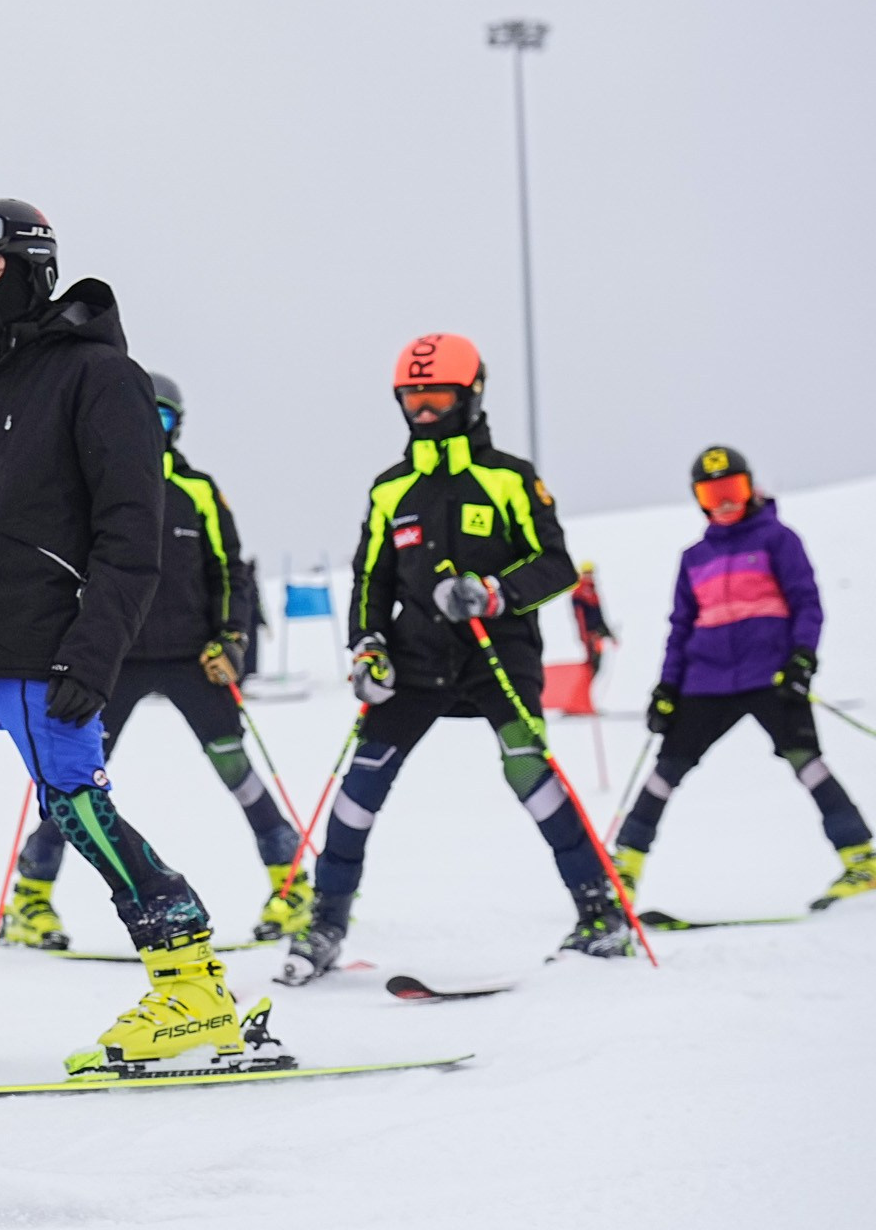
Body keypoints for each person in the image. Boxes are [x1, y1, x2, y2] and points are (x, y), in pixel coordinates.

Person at [0, 200, 281, 1076]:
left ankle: (192, 985)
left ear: (32, 267)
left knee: (80, 810)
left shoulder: (100, 378)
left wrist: (95, 651)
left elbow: (132, 533)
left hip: (46, 652)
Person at [278, 333, 635, 983]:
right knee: (361, 787)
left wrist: (497, 594)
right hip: (415, 660)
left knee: (529, 771)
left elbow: (556, 563)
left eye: (437, 393)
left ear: (471, 394)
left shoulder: (509, 477)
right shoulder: (391, 488)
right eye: (412, 395)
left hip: (498, 654)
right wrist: (368, 644)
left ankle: (599, 911)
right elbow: (370, 580)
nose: (424, 408)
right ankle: (326, 921)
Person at [0, 373, 308, 952]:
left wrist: (233, 639)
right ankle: (30, 899)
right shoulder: (94, 489)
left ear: (177, 424)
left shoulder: (199, 492)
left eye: (162, 420)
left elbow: (231, 571)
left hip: (195, 658)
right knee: (75, 784)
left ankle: (290, 885)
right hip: (115, 662)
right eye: (142, 420)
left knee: (235, 770)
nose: (151, 431)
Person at [615, 447, 872, 908]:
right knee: (665, 771)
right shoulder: (694, 558)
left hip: (768, 674)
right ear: (700, 500)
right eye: (713, 494)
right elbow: (681, 627)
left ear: (751, 488)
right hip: (705, 681)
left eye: (732, 490)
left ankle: (861, 859)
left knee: (806, 761)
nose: (725, 503)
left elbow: (806, 604)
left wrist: (801, 661)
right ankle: (625, 868)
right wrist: (668, 687)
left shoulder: (778, 539)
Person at [572, 562, 615, 679]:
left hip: (597, 632)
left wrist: (608, 632)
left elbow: (600, 615)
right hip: (589, 634)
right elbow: (579, 617)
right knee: (592, 663)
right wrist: (585, 635)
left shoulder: (593, 592)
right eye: (587, 573)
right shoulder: (578, 593)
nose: (589, 576)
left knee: (598, 664)